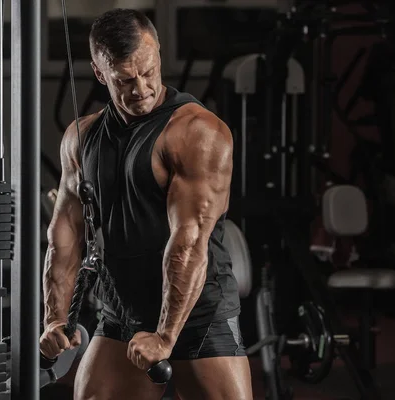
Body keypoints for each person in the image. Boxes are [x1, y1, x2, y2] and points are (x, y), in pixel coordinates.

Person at [41, 8, 253, 400]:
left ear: (158, 57)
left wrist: (165, 335)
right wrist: (55, 317)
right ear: (100, 73)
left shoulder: (196, 132)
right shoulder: (81, 136)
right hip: (122, 309)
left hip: (196, 313)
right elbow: (65, 232)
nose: (141, 88)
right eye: (124, 79)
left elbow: (189, 243)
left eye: (149, 72)